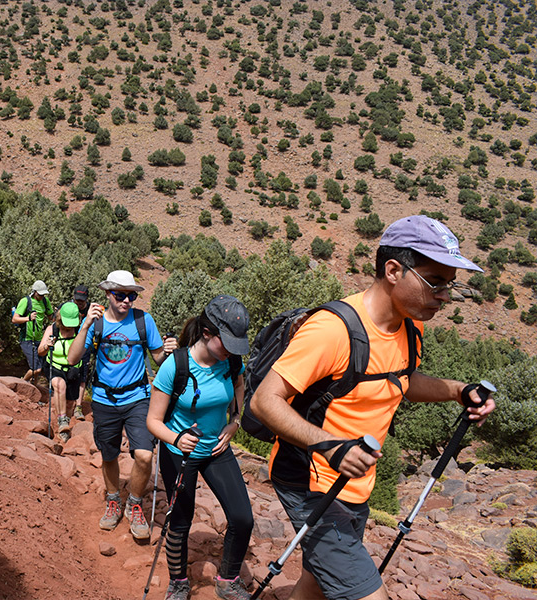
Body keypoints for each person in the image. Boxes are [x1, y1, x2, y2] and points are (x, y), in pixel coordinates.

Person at [251, 215, 496, 600]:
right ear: (394, 270)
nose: (445, 296)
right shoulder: (332, 330)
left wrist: (458, 390)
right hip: (309, 480)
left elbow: (400, 380)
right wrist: (331, 446)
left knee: (316, 583)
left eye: (450, 284)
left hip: (355, 482)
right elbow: (264, 400)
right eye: (435, 281)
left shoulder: (409, 326)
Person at [147, 295, 255, 600]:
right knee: (180, 521)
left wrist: (235, 422)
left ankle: (227, 580)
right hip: (179, 453)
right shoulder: (176, 366)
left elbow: (239, 386)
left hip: (216, 449)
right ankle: (178, 583)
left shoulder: (231, 361)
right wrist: (175, 439)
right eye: (227, 343)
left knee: (242, 518)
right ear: (207, 333)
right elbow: (153, 421)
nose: (232, 350)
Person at [67, 270, 178, 542]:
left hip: (138, 398)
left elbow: (158, 359)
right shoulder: (96, 323)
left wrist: (168, 351)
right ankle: (114, 499)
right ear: (108, 294)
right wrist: (85, 326)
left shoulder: (143, 320)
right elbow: (72, 358)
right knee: (109, 455)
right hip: (104, 400)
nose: (127, 300)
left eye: (131, 295)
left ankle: (135, 504)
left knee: (144, 456)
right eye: (120, 295)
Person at [38, 302, 83, 442]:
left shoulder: (80, 331)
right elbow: (40, 352)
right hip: (55, 366)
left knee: (70, 403)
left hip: (73, 369)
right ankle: (61, 420)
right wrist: (47, 346)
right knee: (59, 385)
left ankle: (65, 426)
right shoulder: (52, 330)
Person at [12, 280, 52, 382]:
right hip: (27, 339)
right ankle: (22, 383)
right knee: (36, 369)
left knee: (39, 369)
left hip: (40, 339)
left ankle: (33, 386)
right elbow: (14, 319)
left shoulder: (45, 301)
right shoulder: (25, 301)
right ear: (34, 292)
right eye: (40, 294)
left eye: (43, 294)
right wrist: (28, 318)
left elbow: (51, 317)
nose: (42, 296)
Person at [73, 285, 91, 420]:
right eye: (77, 300)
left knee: (82, 376)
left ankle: (78, 407)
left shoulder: (91, 310)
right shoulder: (67, 307)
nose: (79, 303)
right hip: (69, 346)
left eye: (82, 300)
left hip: (85, 346)